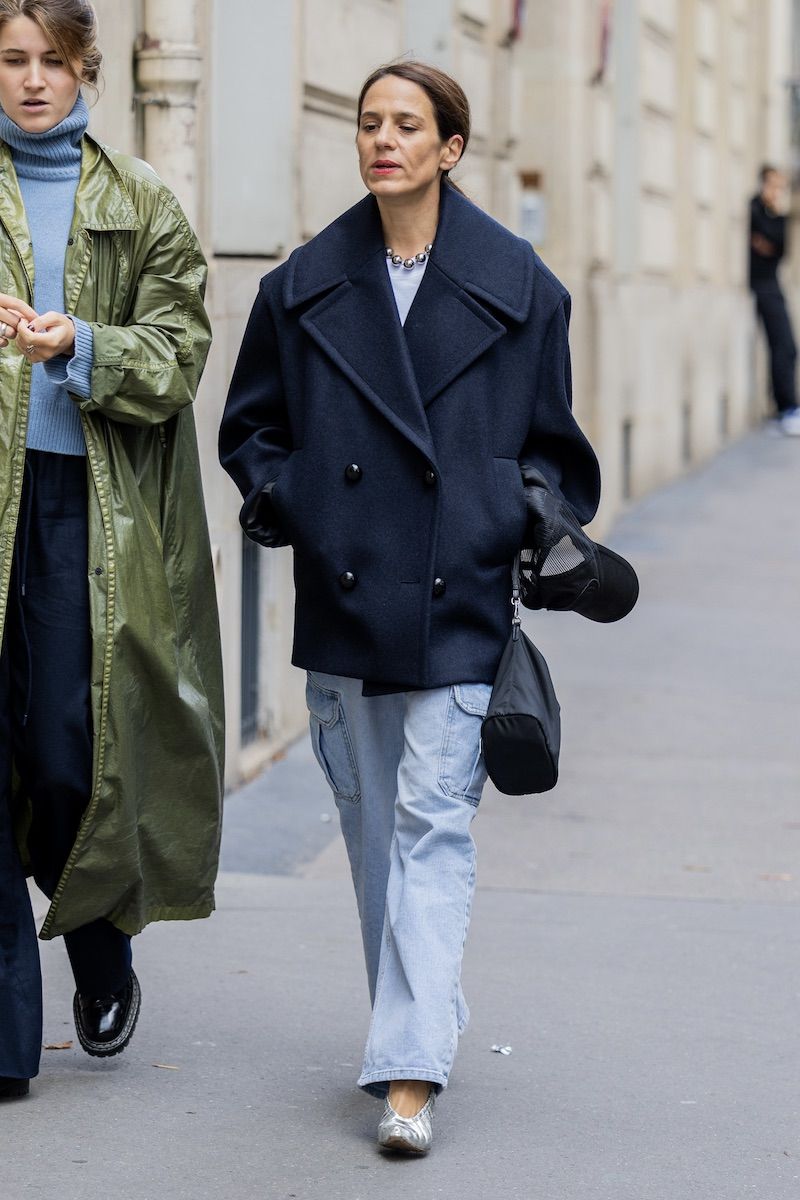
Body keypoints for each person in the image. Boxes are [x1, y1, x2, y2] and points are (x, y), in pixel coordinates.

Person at [220, 61, 605, 1154]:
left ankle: (406, 1075)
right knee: (373, 837)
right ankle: (422, 1015)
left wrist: (500, 509)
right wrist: (296, 499)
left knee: (432, 829)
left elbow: (556, 452)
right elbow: (252, 431)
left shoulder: (520, 287)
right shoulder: (300, 288)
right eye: (369, 123)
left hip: (459, 595)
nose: (382, 139)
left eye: (406, 125)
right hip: (347, 596)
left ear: (449, 149)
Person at [0, 0, 224, 1101]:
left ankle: (98, 946)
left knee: (63, 756)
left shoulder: (137, 200)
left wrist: (80, 343)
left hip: (77, 509)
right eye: (12, 59)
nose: (32, 79)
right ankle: (7, 1043)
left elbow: (179, 353)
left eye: (52, 60)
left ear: (87, 67)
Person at [749, 165, 800, 436]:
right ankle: (786, 408)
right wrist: (764, 243)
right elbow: (761, 242)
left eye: (780, 187)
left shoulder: (776, 216)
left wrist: (766, 242)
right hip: (761, 286)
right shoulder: (754, 209)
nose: (776, 192)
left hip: (773, 284)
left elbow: (778, 246)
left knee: (788, 347)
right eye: (773, 185)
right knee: (781, 345)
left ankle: (786, 406)